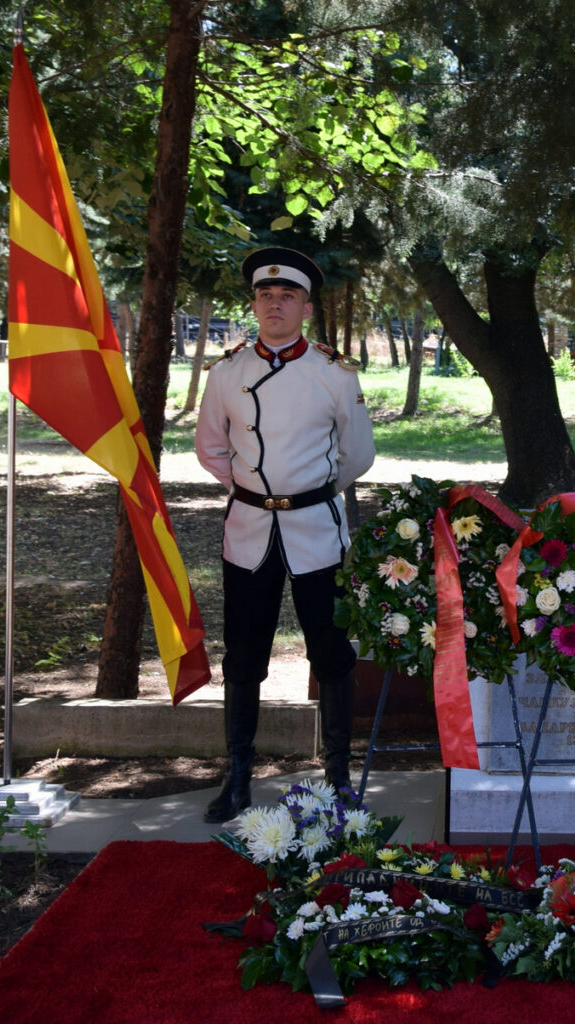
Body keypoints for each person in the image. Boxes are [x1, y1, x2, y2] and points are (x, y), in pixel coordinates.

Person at [195, 247, 376, 822]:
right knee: (243, 657)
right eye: (265, 295)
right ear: (253, 304)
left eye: (288, 296)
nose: (275, 304)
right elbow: (211, 448)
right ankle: (238, 777)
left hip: (315, 531)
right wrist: (254, 491)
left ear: (305, 307)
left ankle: (338, 778)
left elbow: (358, 454)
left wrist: (307, 493)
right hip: (248, 530)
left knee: (332, 654)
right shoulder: (226, 373)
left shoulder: (333, 373)